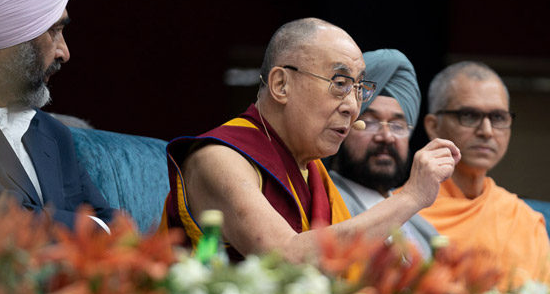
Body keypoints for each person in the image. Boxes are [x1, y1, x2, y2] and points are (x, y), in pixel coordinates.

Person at [162, 18, 460, 263]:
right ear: (281, 84)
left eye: (359, 88)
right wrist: (410, 197)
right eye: (340, 84)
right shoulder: (220, 158)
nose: (353, 106)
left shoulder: (314, 172)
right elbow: (285, 259)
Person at [0, 0, 114, 230]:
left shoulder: (54, 134)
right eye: (54, 31)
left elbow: (112, 223)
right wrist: (90, 229)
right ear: (11, 33)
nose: (64, 53)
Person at [417, 61, 550, 289]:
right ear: (433, 126)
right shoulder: (405, 211)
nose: (486, 131)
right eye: (468, 115)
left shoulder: (522, 218)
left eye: (498, 118)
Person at [328, 49, 437, 259]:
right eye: (370, 122)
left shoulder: (423, 230)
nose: (386, 136)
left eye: (398, 125)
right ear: (343, 128)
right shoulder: (321, 200)